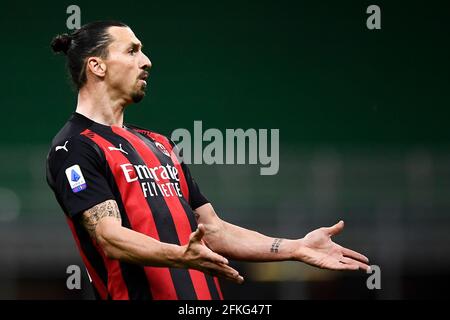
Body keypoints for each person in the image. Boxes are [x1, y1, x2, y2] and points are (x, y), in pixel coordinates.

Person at [46, 21, 370, 300]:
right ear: (97, 66)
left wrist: (296, 248)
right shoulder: (75, 147)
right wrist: (181, 256)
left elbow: (213, 230)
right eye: (132, 51)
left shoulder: (158, 144)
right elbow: (109, 238)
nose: (146, 61)